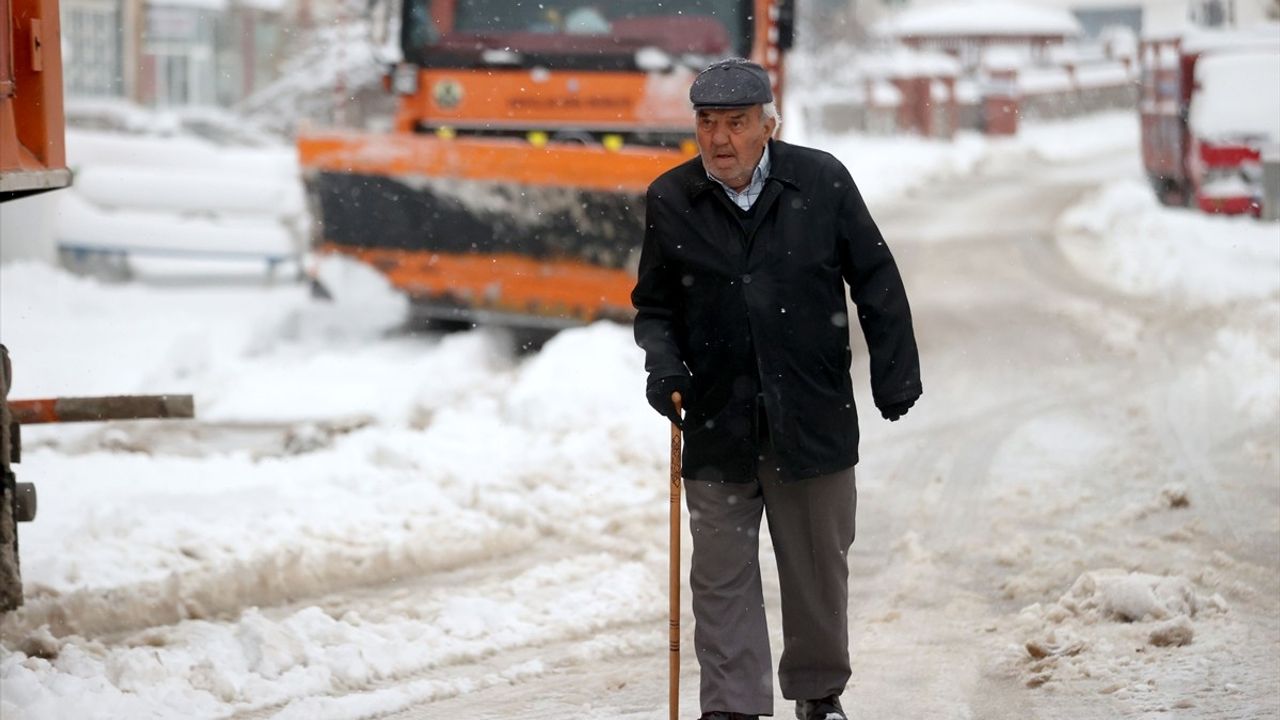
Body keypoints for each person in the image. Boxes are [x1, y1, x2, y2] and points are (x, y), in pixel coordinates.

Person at [631, 59, 922, 720]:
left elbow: (875, 277)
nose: (720, 139)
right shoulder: (672, 199)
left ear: (768, 123)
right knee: (720, 580)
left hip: (810, 416)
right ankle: (731, 707)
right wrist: (664, 365)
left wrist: (894, 371)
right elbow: (654, 307)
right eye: (708, 123)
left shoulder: (819, 181)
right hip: (715, 419)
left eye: (736, 123)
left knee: (818, 571)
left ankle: (819, 697)